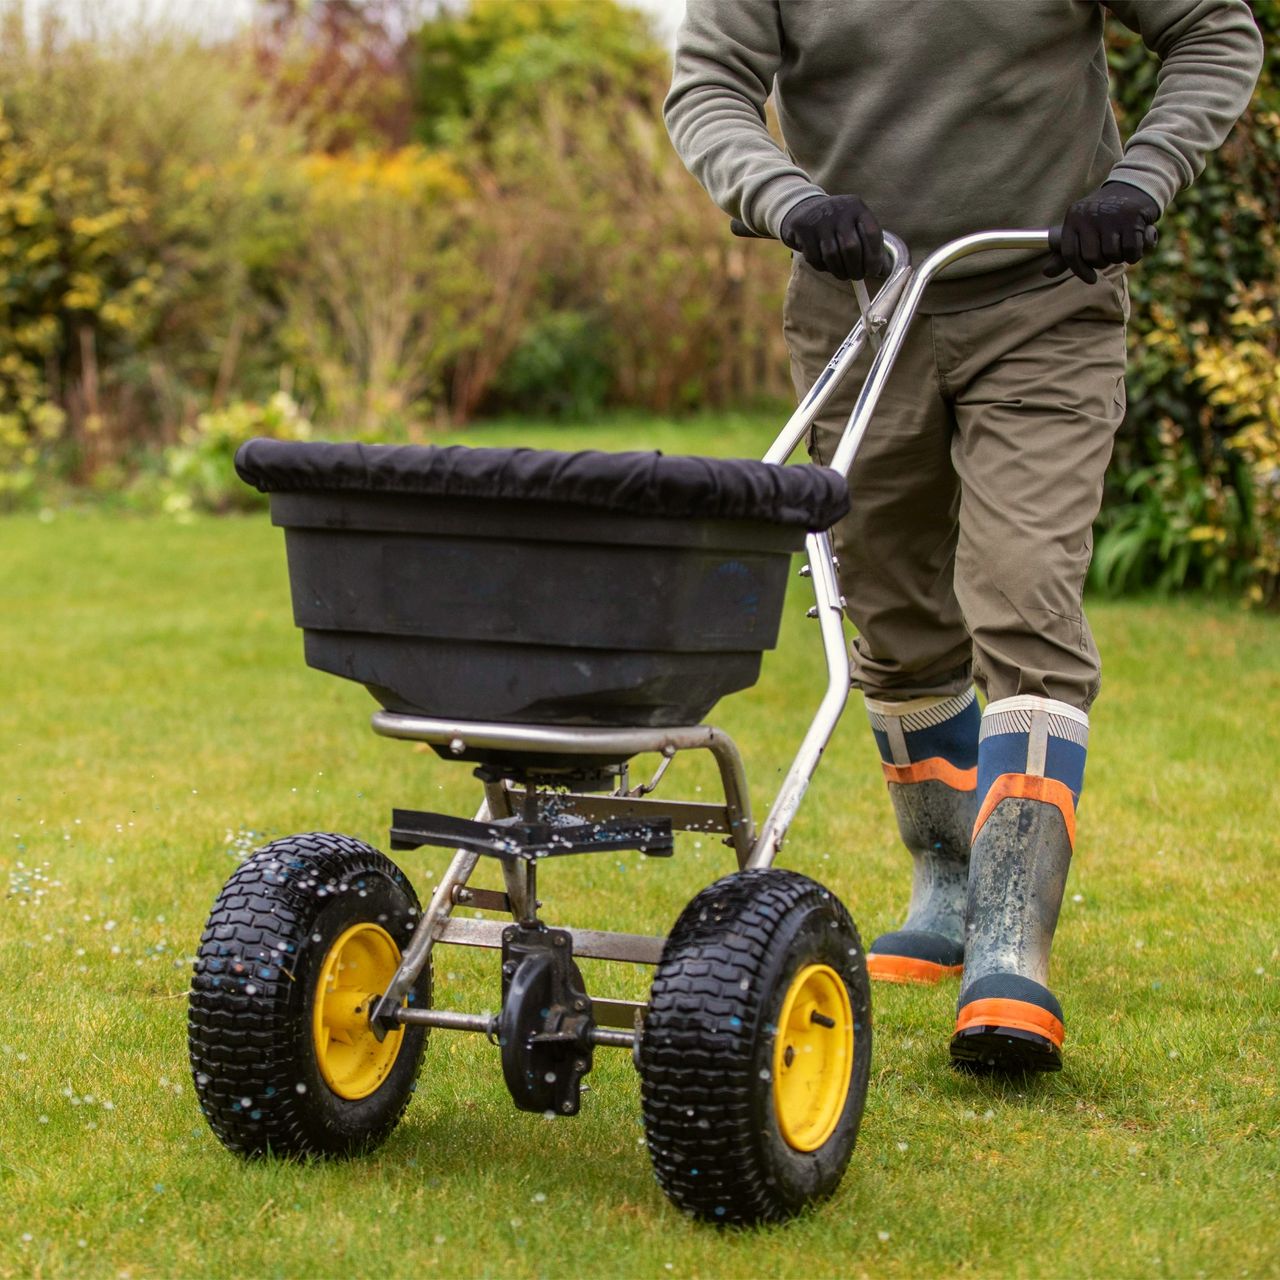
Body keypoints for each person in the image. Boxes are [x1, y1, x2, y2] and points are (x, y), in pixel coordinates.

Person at [665, 1, 1262, 1073]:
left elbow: (1214, 29)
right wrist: (788, 200)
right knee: (887, 613)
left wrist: (1139, 182)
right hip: (859, 306)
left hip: (1045, 295)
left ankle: (1008, 940)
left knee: (1024, 592)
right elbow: (708, 89)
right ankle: (944, 877)